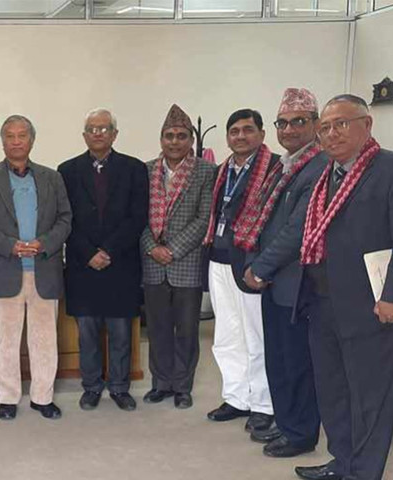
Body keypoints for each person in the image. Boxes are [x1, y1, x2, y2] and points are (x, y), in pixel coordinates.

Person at [293, 94, 393, 480]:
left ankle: (364, 476)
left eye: (341, 124)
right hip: (323, 300)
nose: (331, 134)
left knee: (371, 394)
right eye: (324, 127)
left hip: (374, 305)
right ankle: (342, 459)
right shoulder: (325, 176)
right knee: (333, 388)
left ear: (367, 125)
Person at [240, 88, 328, 457]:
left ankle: (300, 434)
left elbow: (297, 230)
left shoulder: (319, 167)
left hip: (297, 283)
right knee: (278, 357)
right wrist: (256, 263)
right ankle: (287, 422)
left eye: (298, 122)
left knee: (296, 362)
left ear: (315, 124)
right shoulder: (285, 165)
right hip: (276, 281)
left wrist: (260, 267)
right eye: (283, 123)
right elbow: (264, 220)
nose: (289, 129)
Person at [0, 115, 72, 421]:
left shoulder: (52, 177)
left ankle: (43, 397)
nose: (16, 141)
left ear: (32, 140)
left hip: (44, 268)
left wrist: (44, 243)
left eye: (22, 135)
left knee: (44, 339)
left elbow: (65, 219)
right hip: (5, 268)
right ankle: (7, 397)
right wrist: (9, 245)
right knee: (6, 339)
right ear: (2, 141)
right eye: (10, 136)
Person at [58, 108, 148, 412]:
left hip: (120, 264)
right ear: (84, 135)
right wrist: (89, 253)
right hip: (82, 266)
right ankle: (92, 386)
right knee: (87, 334)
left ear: (115, 134)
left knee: (121, 333)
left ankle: (120, 387)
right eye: (92, 129)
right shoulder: (66, 171)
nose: (98, 133)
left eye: (104, 128)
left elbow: (138, 217)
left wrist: (108, 250)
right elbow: (65, 219)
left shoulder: (134, 169)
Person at [203, 109, 281, 433]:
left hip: (250, 263)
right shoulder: (223, 170)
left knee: (255, 336)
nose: (240, 136)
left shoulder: (275, 168)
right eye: (234, 131)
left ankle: (263, 404)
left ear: (262, 134)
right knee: (227, 334)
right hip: (219, 259)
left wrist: (262, 265)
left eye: (248, 130)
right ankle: (236, 397)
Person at [140, 104, 216, 409]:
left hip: (187, 262)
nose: (174, 141)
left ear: (191, 140)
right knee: (157, 328)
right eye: (169, 136)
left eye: (181, 136)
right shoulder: (145, 170)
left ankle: (183, 386)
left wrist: (172, 250)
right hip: (152, 263)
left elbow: (204, 217)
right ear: (161, 139)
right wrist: (152, 247)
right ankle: (161, 383)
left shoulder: (206, 171)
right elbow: (136, 216)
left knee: (186, 329)